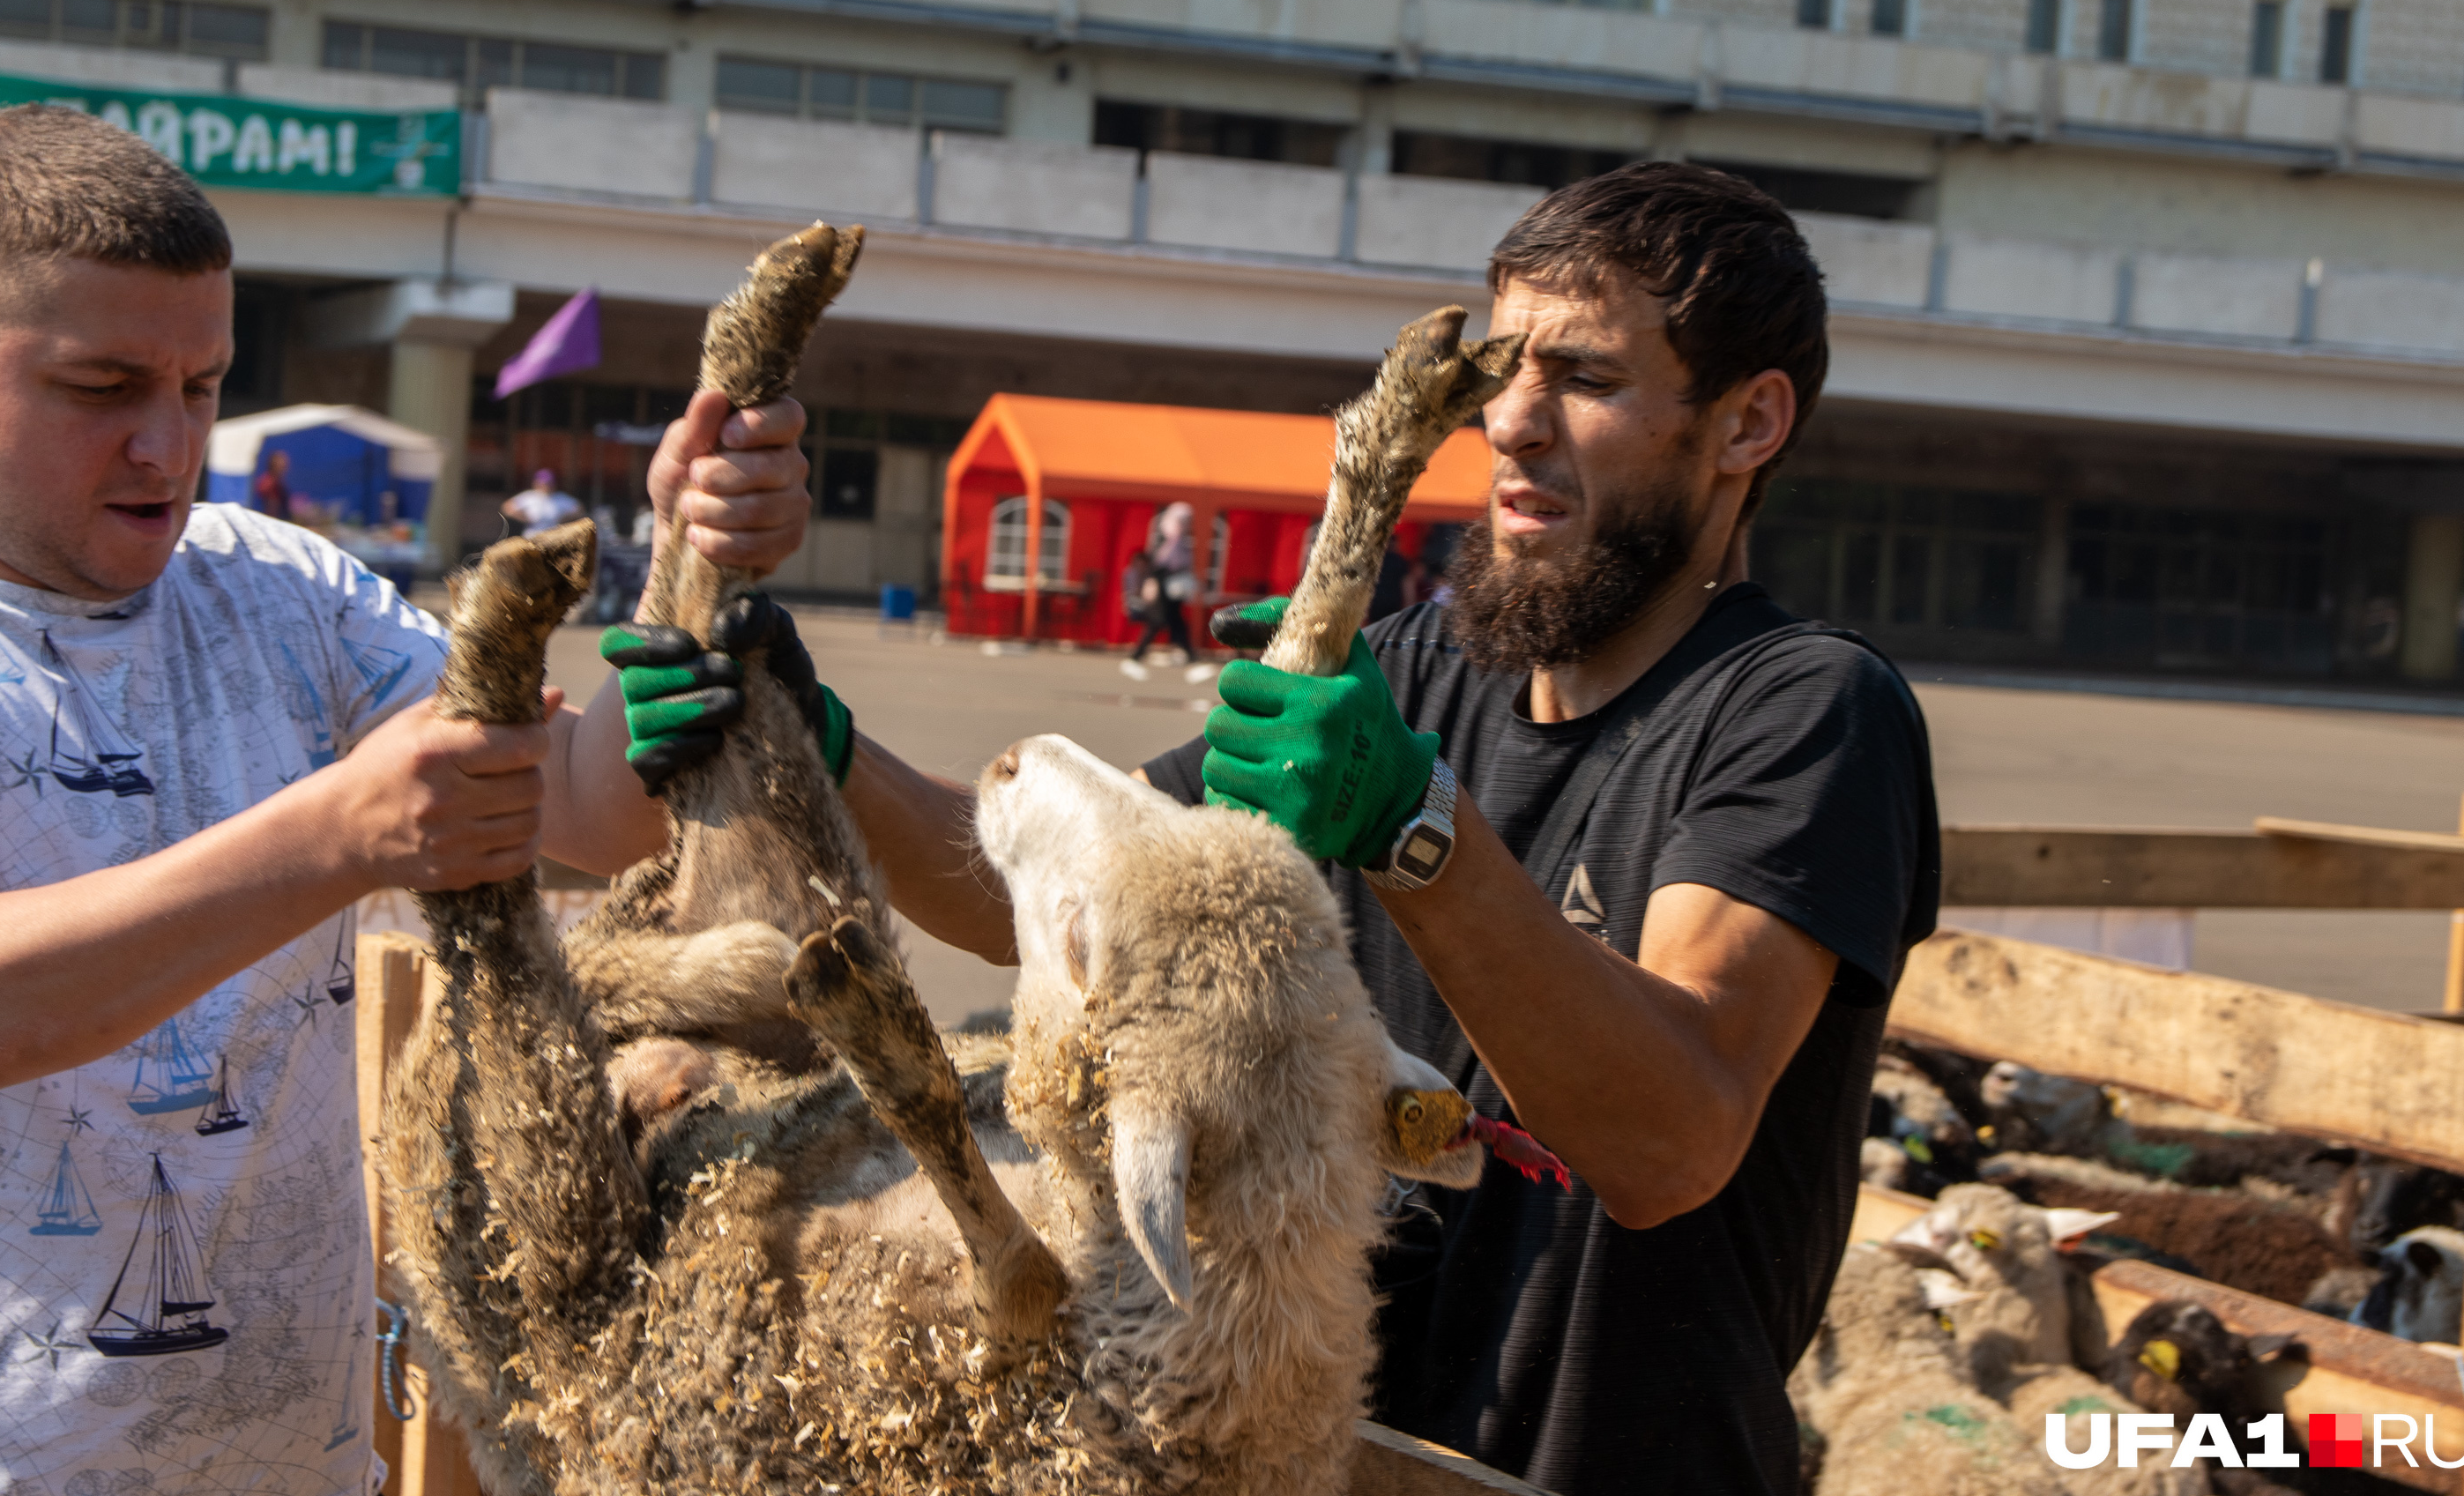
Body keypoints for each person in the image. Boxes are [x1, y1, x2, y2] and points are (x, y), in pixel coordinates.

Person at [629, 162, 1939, 1495]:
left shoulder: (1804, 711)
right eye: (1503, 375)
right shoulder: (1417, 667)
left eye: (1588, 380)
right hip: (1328, 1459)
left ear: (1747, 423)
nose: (1516, 425)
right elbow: (1045, 897)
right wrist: (814, 739)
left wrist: (1411, 828)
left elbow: (1672, 1139)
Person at [0, 106, 808, 1493]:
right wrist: (339, 831)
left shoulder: (281, 589)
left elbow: (581, 814)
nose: (166, 446)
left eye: (200, 385)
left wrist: (689, 563)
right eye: (101, 385)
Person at [1121, 502, 1196, 672]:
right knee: (1164, 621)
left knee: (1171, 621)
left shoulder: (1176, 540)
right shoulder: (1170, 540)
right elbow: (1163, 565)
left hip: (1170, 589)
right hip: (1165, 589)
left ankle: (1185, 652)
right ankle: (1141, 653)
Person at [502, 465, 584, 536]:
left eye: (548, 483)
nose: (545, 486)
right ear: (536, 483)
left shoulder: (560, 498)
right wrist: (525, 518)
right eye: (542, 483)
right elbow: (507, 507)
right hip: (532, 537)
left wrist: (563, 520)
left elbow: (579, 509)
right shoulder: (530, 496)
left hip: (553, 537)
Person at [251, 445, 292, 518]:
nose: (285, 464)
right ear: (273, 464)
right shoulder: (269, 483)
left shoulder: (277, 481)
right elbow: (272, 508)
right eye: (282, 462)